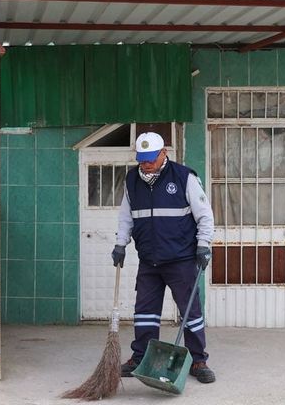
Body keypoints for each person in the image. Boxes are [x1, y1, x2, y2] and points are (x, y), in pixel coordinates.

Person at [111, 132, 216, 384]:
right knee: (145, 312)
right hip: (149, 259)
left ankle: (198, 360)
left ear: (163, 154)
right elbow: (126, 216)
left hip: (180, 259)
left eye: (150, 159)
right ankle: (141, 357)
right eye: (142, 159)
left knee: (190, 312)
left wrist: (203, 245)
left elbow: (205, 216)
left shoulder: (183, 177)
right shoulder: (132, 180)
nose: (145, 164)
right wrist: (120, 243)